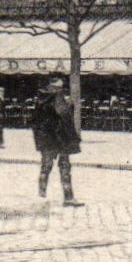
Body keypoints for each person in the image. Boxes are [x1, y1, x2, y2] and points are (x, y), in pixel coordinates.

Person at [31, 76, 83, 207]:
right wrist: (70, 106)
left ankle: (41, 195)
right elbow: (63, 113)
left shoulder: (40, 99)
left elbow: (34, 121)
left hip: (45, 138)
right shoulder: (57, 96)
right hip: (59, 138)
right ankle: (68, 197)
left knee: (45, 167)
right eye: (60, 87)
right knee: (65, 167)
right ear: (56, 86)